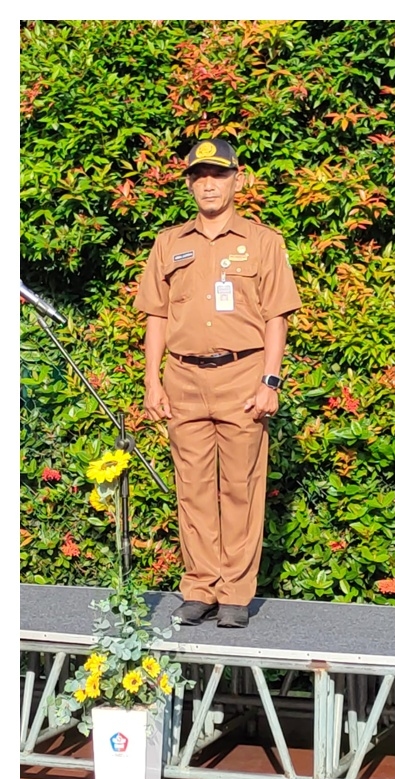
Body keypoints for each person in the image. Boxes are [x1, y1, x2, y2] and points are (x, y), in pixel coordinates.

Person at [135, 137, 301, 629]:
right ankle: (199, 586)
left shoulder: (263, 242)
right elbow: (156, 318)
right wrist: (152, 382)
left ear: (237, 179)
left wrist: (269, 380)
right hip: (183, 378)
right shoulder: (170, 242)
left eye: (218, 174)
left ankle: (234, 593)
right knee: (193, 489)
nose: (208, 183)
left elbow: (277, 317)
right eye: (199, 175)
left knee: (241, 488)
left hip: (242, 376)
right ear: (188, 183)